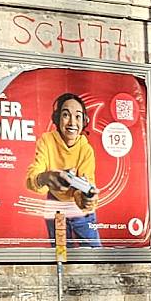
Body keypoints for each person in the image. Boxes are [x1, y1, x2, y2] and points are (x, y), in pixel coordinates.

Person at [26, 92, 101, 247]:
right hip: (56, 208)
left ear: (84, 121)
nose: (72, 122)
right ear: (57, 118)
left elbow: (86, 187)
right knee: (61, 257)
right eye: (66, 115)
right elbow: (32, 177)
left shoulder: (86, 150)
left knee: (94, 256)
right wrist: (45, 178)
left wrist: (87, 199)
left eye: (78, 116)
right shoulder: (46, 141)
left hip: (81, 211)